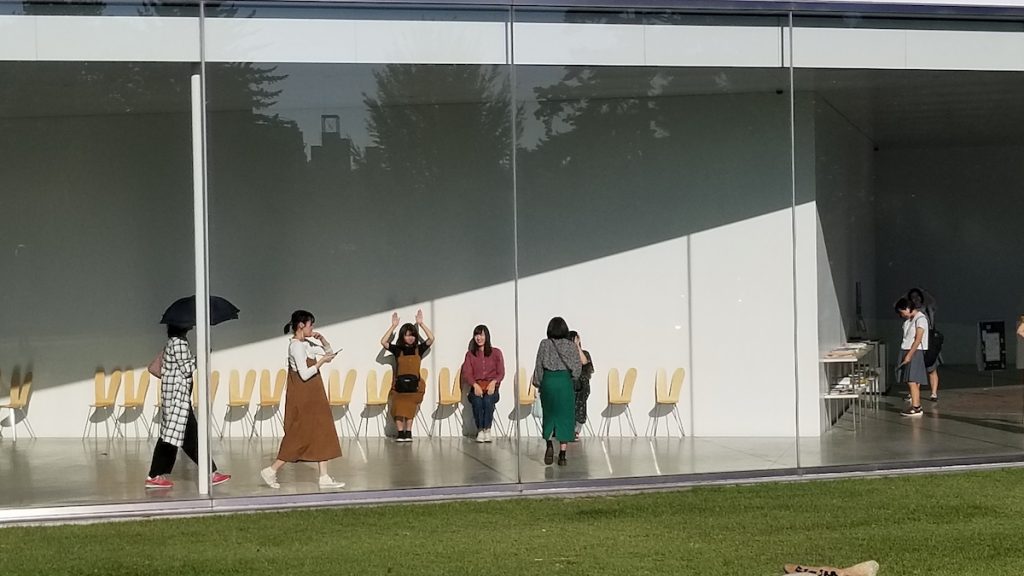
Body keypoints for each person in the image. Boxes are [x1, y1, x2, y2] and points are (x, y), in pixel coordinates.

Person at [260, 310, 345, 490]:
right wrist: (320, 362)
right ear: (301, 325)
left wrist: (323, 340)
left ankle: (324, 476)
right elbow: (304, 374)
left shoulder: (305, 343)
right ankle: (271, 470)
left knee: (322, 429)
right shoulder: (296, 347)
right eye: (310, 325)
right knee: (299, 434)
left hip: (314, 394)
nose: (312, 328)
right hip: (304, 395)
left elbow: (328, 353)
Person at [146, 324, 231, 488]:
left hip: (176, 399)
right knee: (186, 439)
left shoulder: (173, 342)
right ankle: (210, 473)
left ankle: (155, 475)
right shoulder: (179, 343)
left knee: (173, 438)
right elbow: (186, 369)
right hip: (179, 401)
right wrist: (202, 356)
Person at [533, 317, 582, 465]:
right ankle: (562, 455)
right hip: (564, 382)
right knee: (565, 417)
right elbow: (577, 368)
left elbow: (539, 365)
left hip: (548, 381)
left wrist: (539, 383)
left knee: (549, 415)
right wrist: (572, 378)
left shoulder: (544, 344)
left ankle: (549, 444)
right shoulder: (571, 346)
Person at [381, 309, 434, 442]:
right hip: (399, 386)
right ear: (402, 336)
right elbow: (383, 342)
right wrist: (393, 326)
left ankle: (408, 432)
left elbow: (431, 338)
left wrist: (420, 324)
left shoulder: (419, 349)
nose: (410, 338)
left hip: (414, 386)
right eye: (407, 335)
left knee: (410, 407)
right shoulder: (398, 350)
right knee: (398, 407)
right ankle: (400, 433)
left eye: (412, 335)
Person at [461, 325, 505, 443]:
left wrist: (494, 383)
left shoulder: (496, 352)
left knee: (488, 400)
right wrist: (474, 385)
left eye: (481, 334)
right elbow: (467, 373)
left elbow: (501, 372)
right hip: (476, 387)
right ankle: (480, 429)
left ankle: (487, 429)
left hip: (492, 387)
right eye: (476, 335)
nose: (479, 338)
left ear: (487, 336)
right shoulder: (470, 355)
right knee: (477, 401)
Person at [895, 297, 929, 417]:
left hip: (915, 351)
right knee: (911, 379)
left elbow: (918, 339)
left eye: (902, 311)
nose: (902, 314)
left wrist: (909, 355)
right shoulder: (910, 320)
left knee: (912, 379)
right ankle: (915, 404)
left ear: (908, 308)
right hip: (908, 349)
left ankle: (916, 406)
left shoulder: (921, 319)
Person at [908, 287, 940, 401]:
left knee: (931, 368)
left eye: (917, 296)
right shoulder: (909, 311)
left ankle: (934, 393)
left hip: (929, 341)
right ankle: (914, 393)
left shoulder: (927, 308)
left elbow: (934, 302)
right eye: (912, 297)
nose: (915, 299)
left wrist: (926, 292)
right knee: (916, 370)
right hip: (916, 342)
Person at [568, 330, 593, 440]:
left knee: (580, 402)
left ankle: (576, 430)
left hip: (582, 387)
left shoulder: (585, 353)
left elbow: (584, 362)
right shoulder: (566, 355)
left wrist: (577, 347)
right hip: (569, 384)